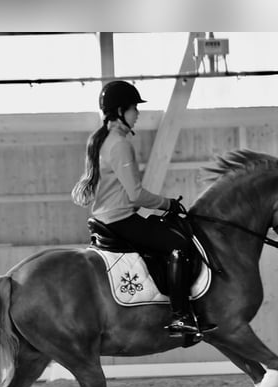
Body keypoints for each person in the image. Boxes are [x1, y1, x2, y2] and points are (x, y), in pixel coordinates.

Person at [71, 80, 199, 336]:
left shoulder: (104, 139)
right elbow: (136, 194)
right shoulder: (119, 144)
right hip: (120, 220)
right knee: (180, 246)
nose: (137, 114)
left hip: (107, 217)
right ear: (120, 111)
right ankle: (181, 316)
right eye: (133, 109)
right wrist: (169, 204)